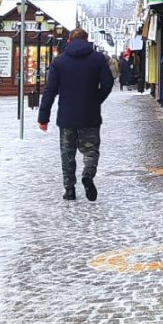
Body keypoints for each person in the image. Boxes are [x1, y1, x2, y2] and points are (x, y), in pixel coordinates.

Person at [37, 27, 115, 201]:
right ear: (87, 40)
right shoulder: (98, 59)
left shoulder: (59, 62)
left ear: (69, 41)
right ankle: (88, 174)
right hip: (90, 115)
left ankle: (69, 189)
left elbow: (50, 91)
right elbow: (108, 82)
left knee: (67, 154)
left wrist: (43, 117)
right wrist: (97, 99)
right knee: (91, 151)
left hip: (67, 117)